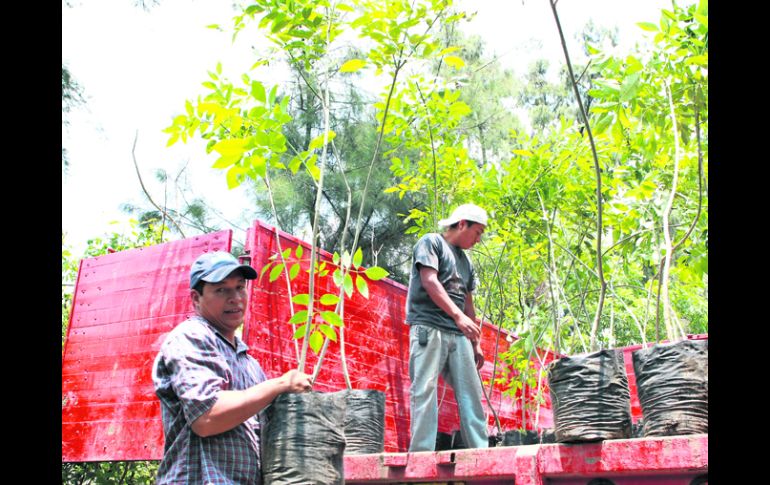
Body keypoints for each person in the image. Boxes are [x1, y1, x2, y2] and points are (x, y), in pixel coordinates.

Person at [152, 251, 313, 484]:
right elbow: (207, 417)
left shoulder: (249, 364)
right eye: (221, 290)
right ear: (196, 298)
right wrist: (280, 384)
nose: (235, 298)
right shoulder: (192, 336)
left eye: (239, 287)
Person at [406, 203, 489, 452]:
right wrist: (458, 317)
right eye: (477, 232)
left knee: (471, 391)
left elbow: (468, 303)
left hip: (457, 333)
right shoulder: (431, 243)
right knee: (425, 389)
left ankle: (480, 452)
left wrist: (476, 343)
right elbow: (429, 281)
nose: (478, 239)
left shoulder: (466, 262)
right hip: (428, 326)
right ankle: (421, 455)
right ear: (462, 224)